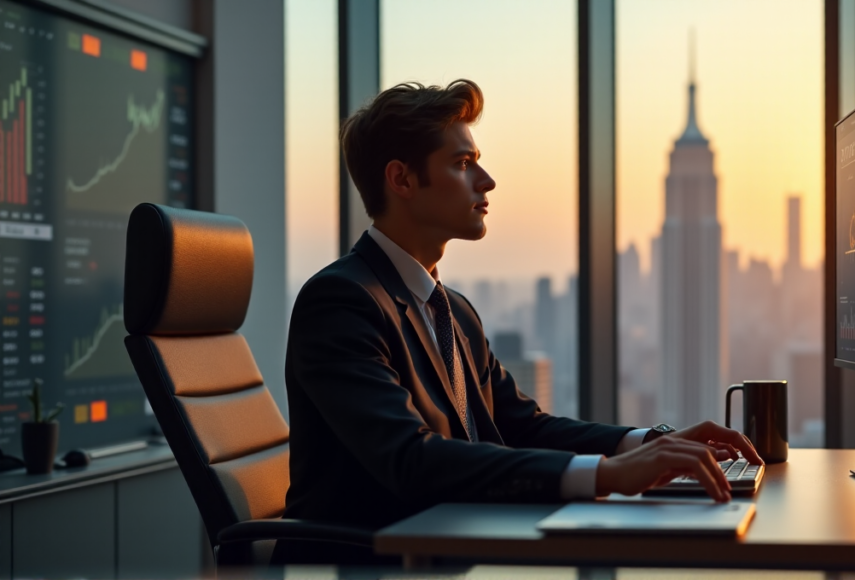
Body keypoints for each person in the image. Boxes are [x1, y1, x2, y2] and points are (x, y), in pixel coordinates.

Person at [277, 79, 762, 564]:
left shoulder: (454, 312)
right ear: (402, 179)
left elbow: (524, 426)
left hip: (451, 554)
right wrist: (607, 475)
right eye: (463, 164)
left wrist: (647, 443)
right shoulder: (342, 302)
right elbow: (409, 458)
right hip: (365, 566)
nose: (486, 181)